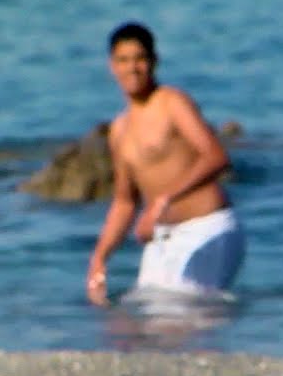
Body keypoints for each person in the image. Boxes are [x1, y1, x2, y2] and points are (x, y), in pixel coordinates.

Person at [86, 21, 245, 306]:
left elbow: (216, 156)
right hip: (162, 240)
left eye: (140, 59)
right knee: (139, 312)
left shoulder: (172, 103)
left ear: (154, 62)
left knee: (178, 315)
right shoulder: (119, 130)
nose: (132, 68)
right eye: (123, 60)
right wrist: (100, 257)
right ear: (112, 66)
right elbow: (124, 202)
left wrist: (163, 199)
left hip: (208, 228)